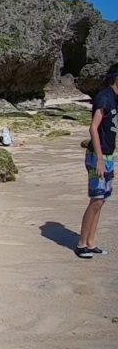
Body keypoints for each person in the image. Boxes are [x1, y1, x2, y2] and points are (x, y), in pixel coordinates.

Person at [75, 65, 118, 259]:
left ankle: (91, 243)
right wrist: (100, 158)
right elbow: (93, 128)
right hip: (96, 156)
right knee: (96, 199)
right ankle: (81, 244)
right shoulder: (105, 97)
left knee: (102, 201)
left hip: (109, 156)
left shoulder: (115, 99)